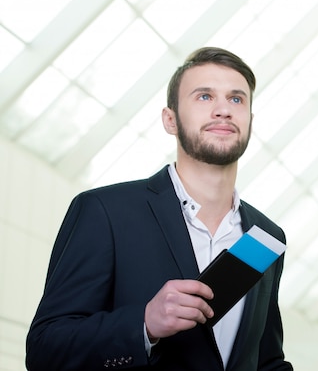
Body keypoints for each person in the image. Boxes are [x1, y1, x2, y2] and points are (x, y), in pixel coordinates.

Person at [26, 47, 293, 371]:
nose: (223, 109)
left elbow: (265, 361)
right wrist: (143, 325)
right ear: (170, 120)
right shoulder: (106, 212)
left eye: (237, 99)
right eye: (204, 97)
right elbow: (44, 350)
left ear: (249, 121)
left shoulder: (264, 237)